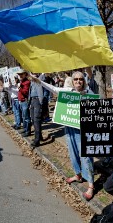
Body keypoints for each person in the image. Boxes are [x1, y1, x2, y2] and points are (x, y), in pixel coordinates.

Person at [31, 71, 95, 200]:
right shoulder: (68, 91)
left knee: (85, 155)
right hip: (69, 127)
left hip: (83, 129)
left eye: (80, 79)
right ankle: (78, 174)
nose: (78, 81)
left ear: (84, 81)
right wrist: (39, 81)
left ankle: (91, 185)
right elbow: (53, 88)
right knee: (73, 153)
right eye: (75, 79)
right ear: (72, 81)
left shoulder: (89, 93)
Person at [29, 73, 44, 147]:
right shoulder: (32, 81)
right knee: (33, 119)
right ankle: (39, 136)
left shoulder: (38, 80)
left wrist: (40, 103)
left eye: (35, 74)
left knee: (36, 120)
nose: (33, 75)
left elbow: (40, 93)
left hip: (37, 101)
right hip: (32, 100)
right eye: (32, 73)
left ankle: (37, 140)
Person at [17, 69, 31, 137]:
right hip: (21, 101)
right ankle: (25, 129)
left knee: (26, 117)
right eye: (19, 74)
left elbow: (25, 92)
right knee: (23, 116)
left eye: (21, 74)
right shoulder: (22, 81)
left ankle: (28, 131)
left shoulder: (27, 82)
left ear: (25, 74)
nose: (20, 75)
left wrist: (20, 88)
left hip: (25, 101)